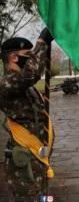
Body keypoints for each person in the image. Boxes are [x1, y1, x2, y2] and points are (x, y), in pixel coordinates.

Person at [0, 28, 54, 201]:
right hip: (24, 163)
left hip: (37, 157)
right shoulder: (5, 83)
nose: (31, 58)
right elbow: (32, 73)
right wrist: (41, 43)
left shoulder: (24, 85)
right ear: (14, 57)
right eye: (27, 54)